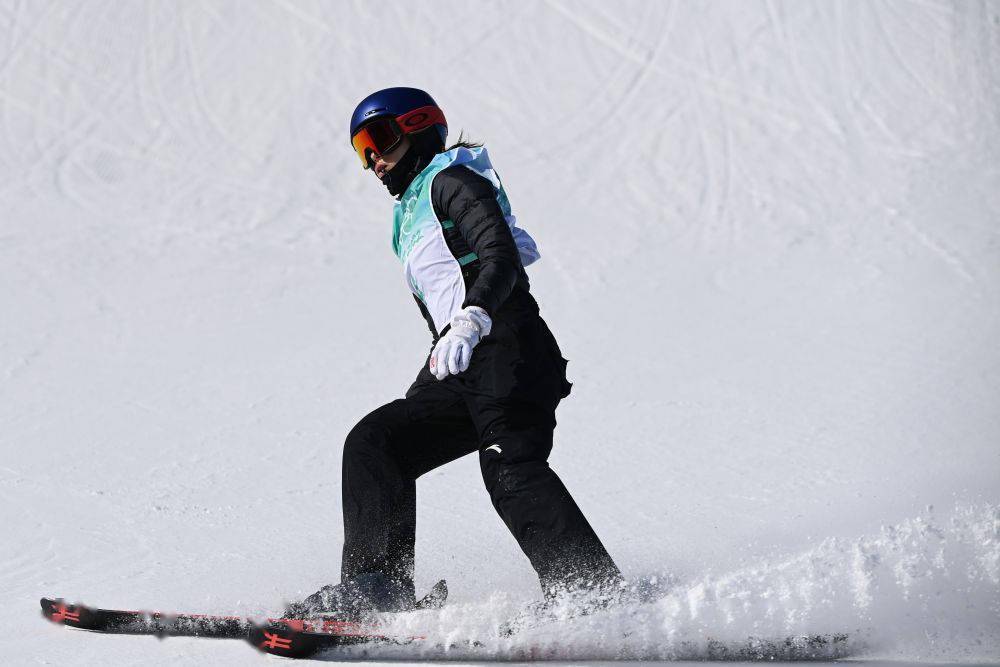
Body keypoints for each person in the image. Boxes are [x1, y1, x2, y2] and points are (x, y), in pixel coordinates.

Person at [286, 87, 622, 619]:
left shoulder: (452, 179)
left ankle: (595, 600)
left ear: (419, 127)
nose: (374, 161)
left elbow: (499, 253)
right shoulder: (409, 214)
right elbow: (443, 306)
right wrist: (434, 373)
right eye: (362, 151)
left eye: (380, 140)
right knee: (378, 443)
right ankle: (376, 597)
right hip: (465, 361)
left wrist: (474, 315)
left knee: (509, 470)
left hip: (509, 346)